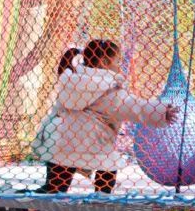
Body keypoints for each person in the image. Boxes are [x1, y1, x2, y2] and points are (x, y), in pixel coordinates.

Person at [38, 38, 178, 195]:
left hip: (63, 141)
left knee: (59, 169)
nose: (119, 66)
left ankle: (51, 191)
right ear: (104, 62)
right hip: (95, 144)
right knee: (109, 164)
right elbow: (134, 106)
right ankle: (102, 196)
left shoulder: (72, 81)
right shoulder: (108, 88)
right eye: (117, 62)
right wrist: (160, 111)